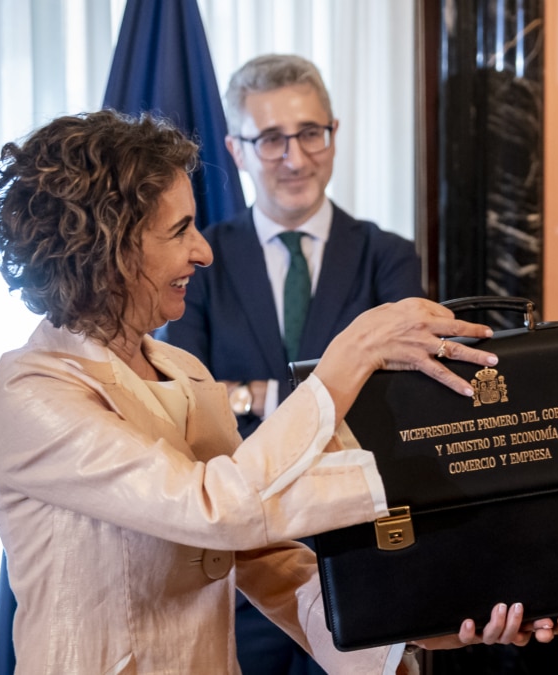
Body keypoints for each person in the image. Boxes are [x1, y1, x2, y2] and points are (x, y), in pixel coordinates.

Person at [0, 109, 558, 674]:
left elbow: (271, 562)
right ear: (110, 248)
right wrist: (350, 356)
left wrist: (423, 620)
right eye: (180, 230)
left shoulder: (184, 371)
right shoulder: (30, 391)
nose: (203, 251)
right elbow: (215, 511)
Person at [154, 53, 425, 673]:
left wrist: (253, 395)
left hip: (363, 555)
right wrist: (325, 391)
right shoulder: (196, 261)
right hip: (241, 567)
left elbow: (399, 404)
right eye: (271, 139)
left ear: (335, 133)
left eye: (310, 133)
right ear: (237, 149)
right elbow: (187, 407)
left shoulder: (389, 257)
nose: (295, 158)